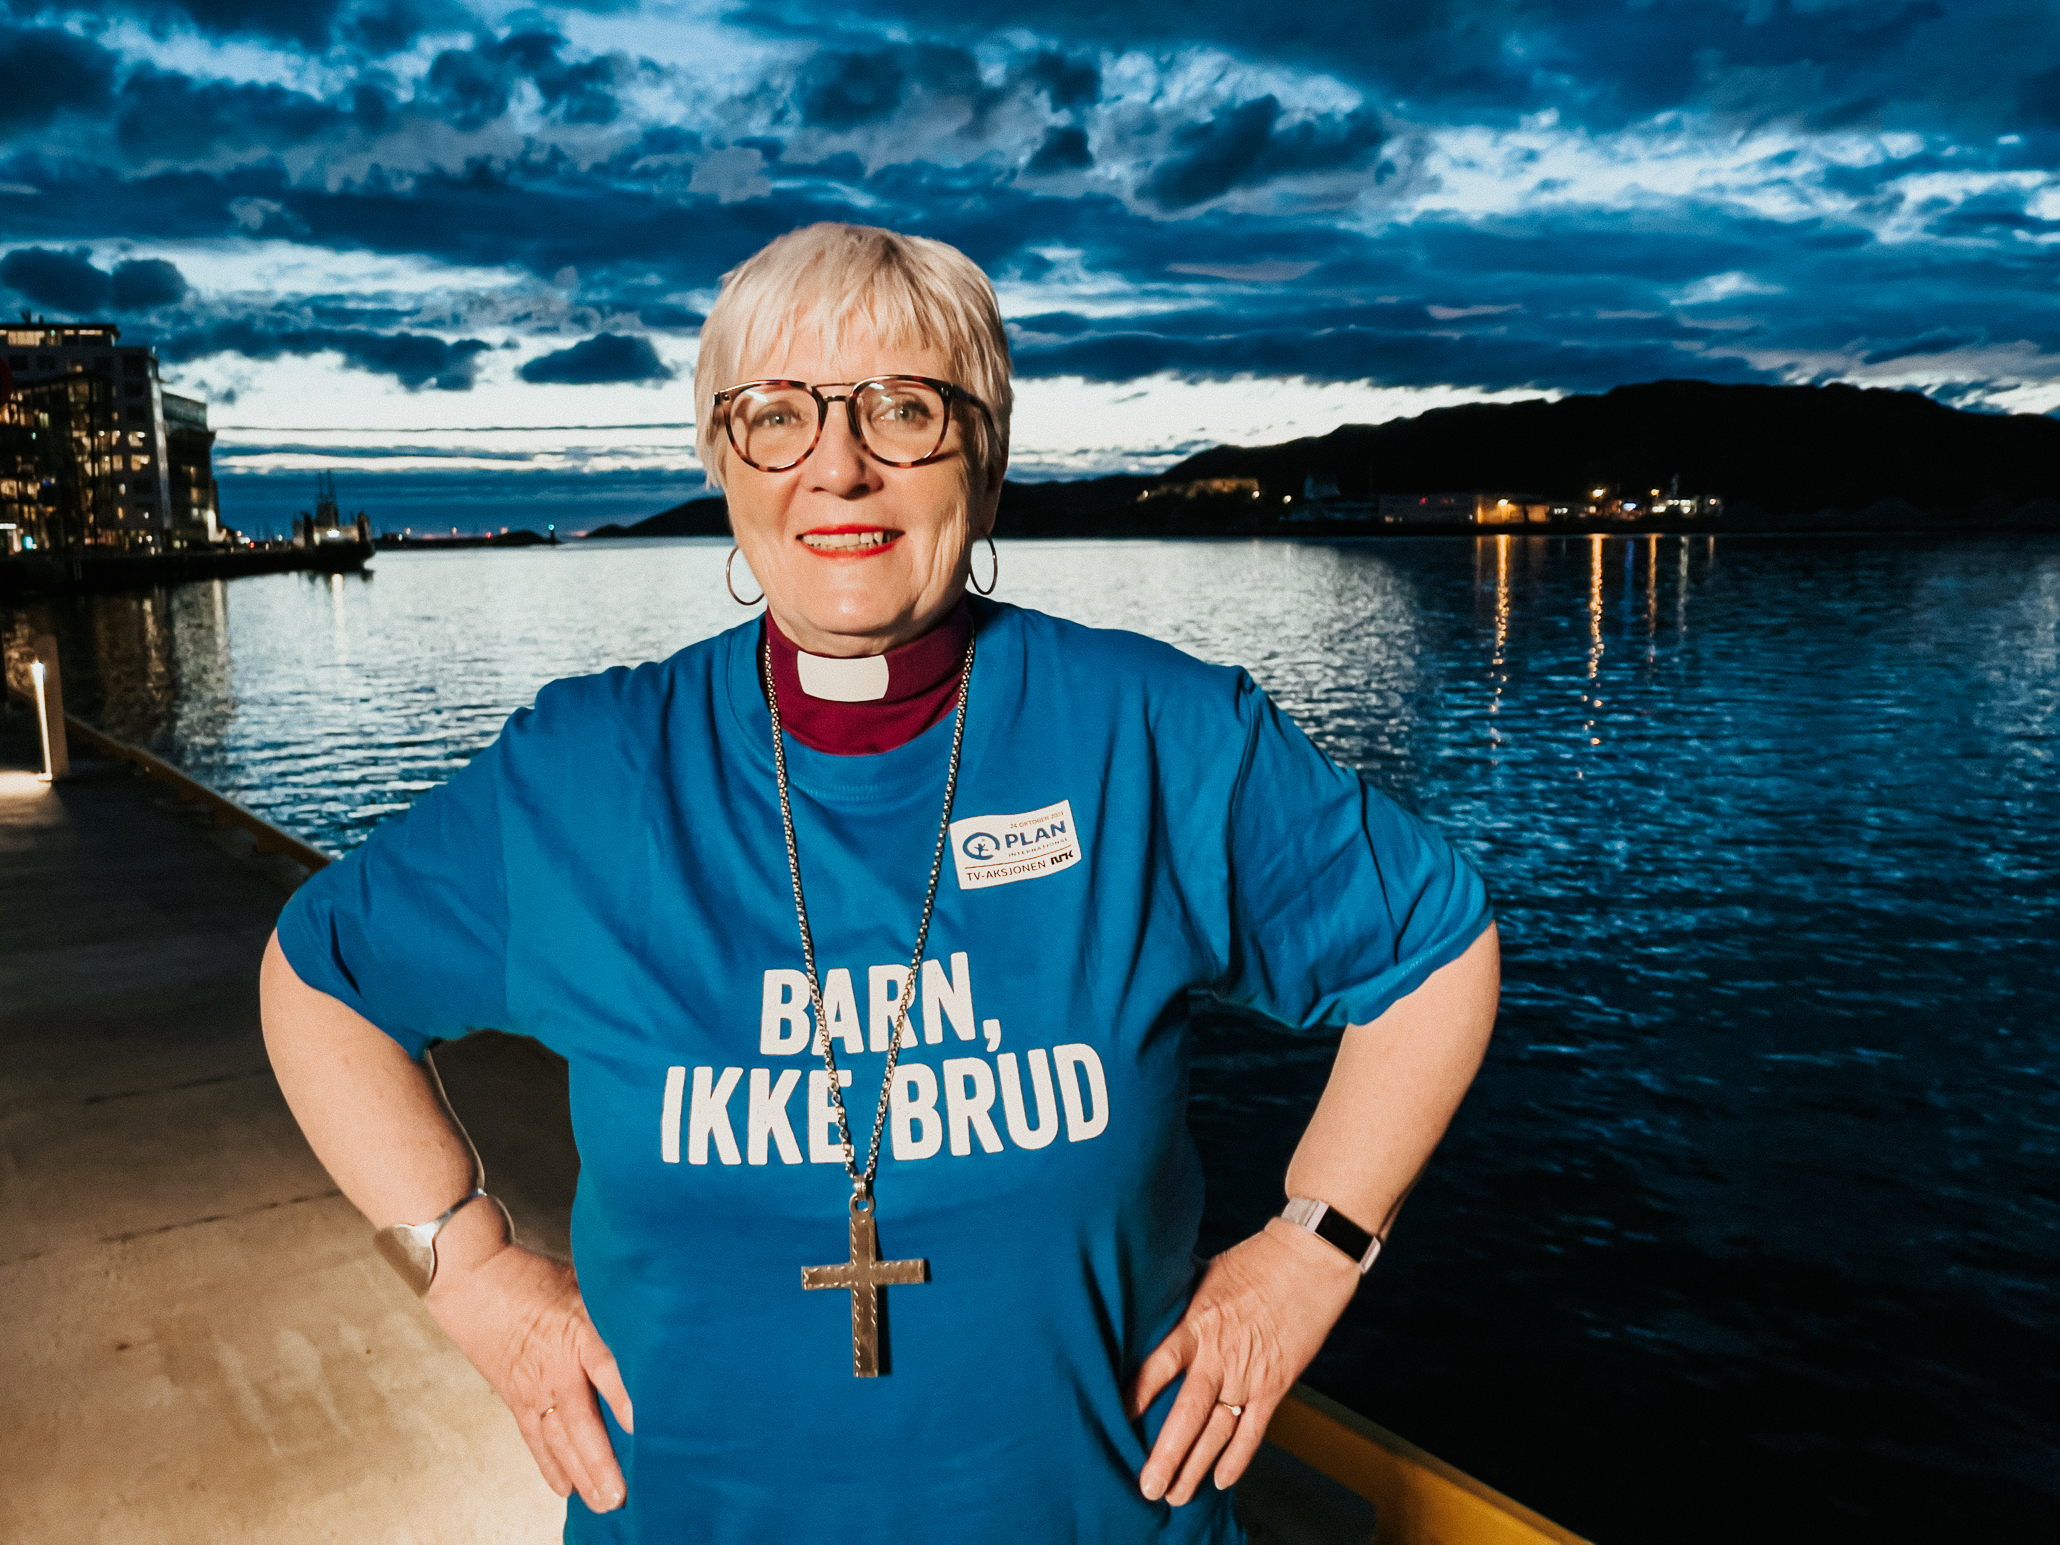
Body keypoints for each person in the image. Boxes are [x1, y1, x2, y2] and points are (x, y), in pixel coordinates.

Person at [261, 222, 1499, 1544]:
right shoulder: (587, 773)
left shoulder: (1154, 736)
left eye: (904, 410)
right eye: (776, 416)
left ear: (989, 449)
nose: (838, 468)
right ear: (722, 459)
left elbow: (1434, 948)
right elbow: (322, 977)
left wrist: (1313, 1248)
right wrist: (470, 1269)